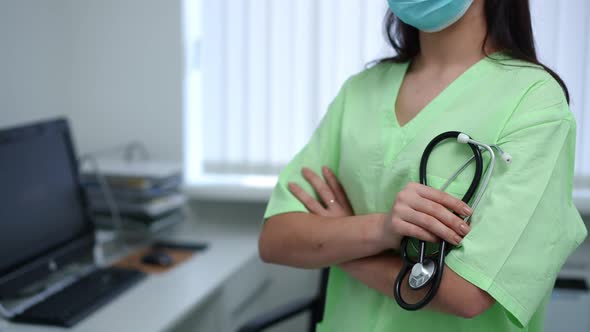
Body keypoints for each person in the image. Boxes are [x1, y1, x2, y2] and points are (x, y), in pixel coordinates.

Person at [258, 0, 588, 331]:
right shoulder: (361, 91)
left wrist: (338, 244)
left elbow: (468, 294)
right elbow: (277, 239)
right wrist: (380, 229)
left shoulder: (534, 102)